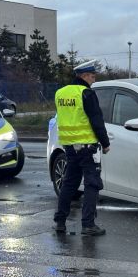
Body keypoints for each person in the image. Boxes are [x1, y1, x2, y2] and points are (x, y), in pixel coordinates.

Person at [53, 59, 110, 236]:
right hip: (87, 147)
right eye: (92, 75)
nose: (94, 79)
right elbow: (96, 120)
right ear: (84, 75)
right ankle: (88, 224)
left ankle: (60, 222)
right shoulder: (86, 93)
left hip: (69, 146)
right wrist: (105, 143)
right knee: (92, 183)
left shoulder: (60, 93)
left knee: (69, 183)